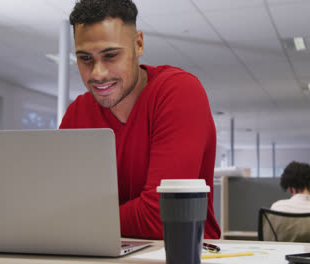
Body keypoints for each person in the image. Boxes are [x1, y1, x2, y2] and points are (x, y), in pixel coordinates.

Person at [59, 0, 220, 239]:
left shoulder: (178, 91)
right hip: (100, 251)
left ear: (138, 44)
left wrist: (73, 221)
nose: (98, 73)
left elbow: (161, 216)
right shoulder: (77, 112)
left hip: (178, 253)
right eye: (85, 59)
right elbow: (55, 207)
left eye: (111, 55)